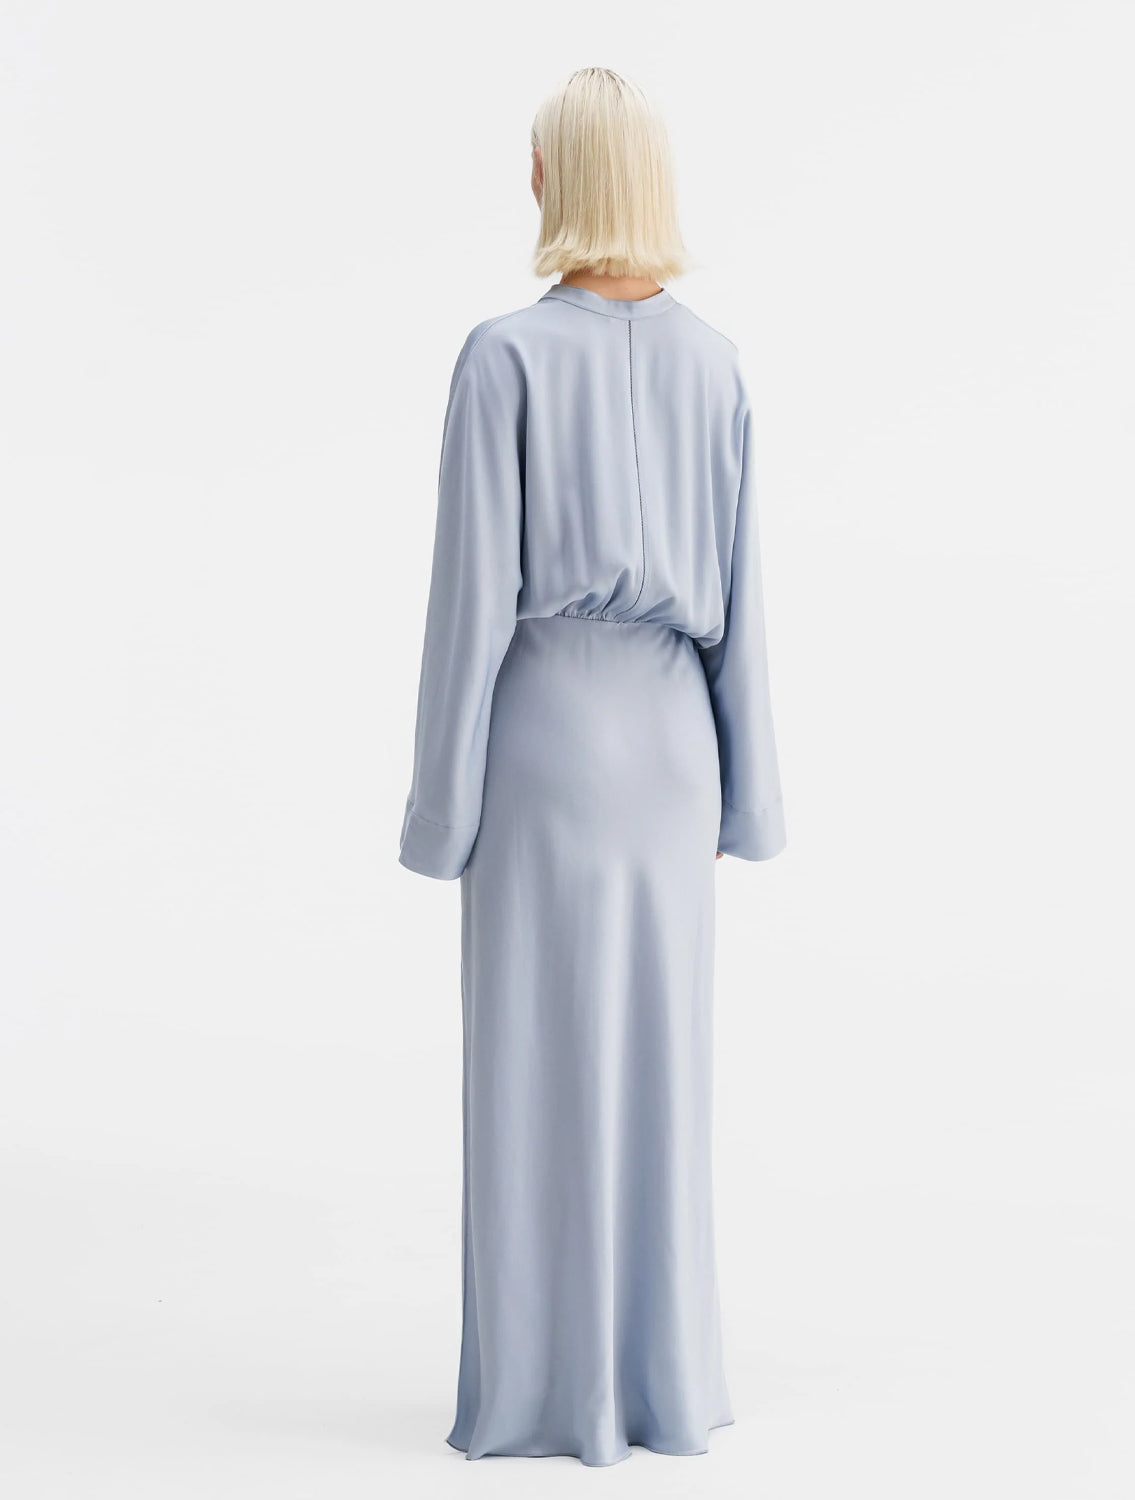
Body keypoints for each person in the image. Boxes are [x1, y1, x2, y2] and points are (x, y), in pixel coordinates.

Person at [398, 66, 786, 1467]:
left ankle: (543, 1394)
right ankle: (661, 1384)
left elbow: (469, 606)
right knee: (660, 1069)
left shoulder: (503, 357)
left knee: (528, 1070)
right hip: (674, 749)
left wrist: (439, 812)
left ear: (558, 175)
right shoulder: (717, 363)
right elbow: (743, 600)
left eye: (537, 156)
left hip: (548, 742)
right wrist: (750, 793)